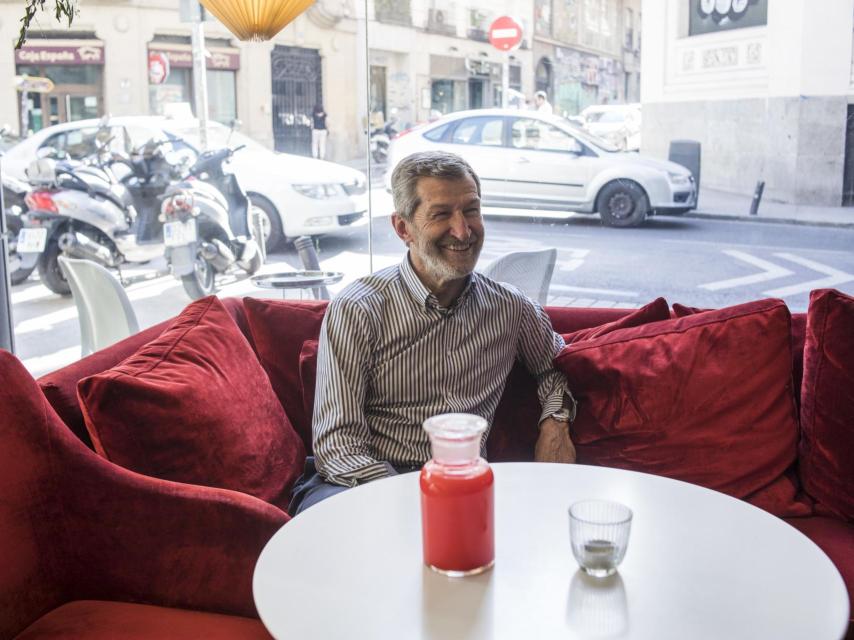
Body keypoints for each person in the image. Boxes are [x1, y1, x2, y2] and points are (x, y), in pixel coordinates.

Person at [288, 151, 576, 514]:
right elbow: (339, 445)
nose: (463, 230)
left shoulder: (510, 308)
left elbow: (556, 367)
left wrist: (556, 421)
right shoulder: (358, 309)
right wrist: (415, 503)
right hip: (358, 484)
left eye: (471, 210)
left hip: (462, 483)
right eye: (441, 214)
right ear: (402, 228)